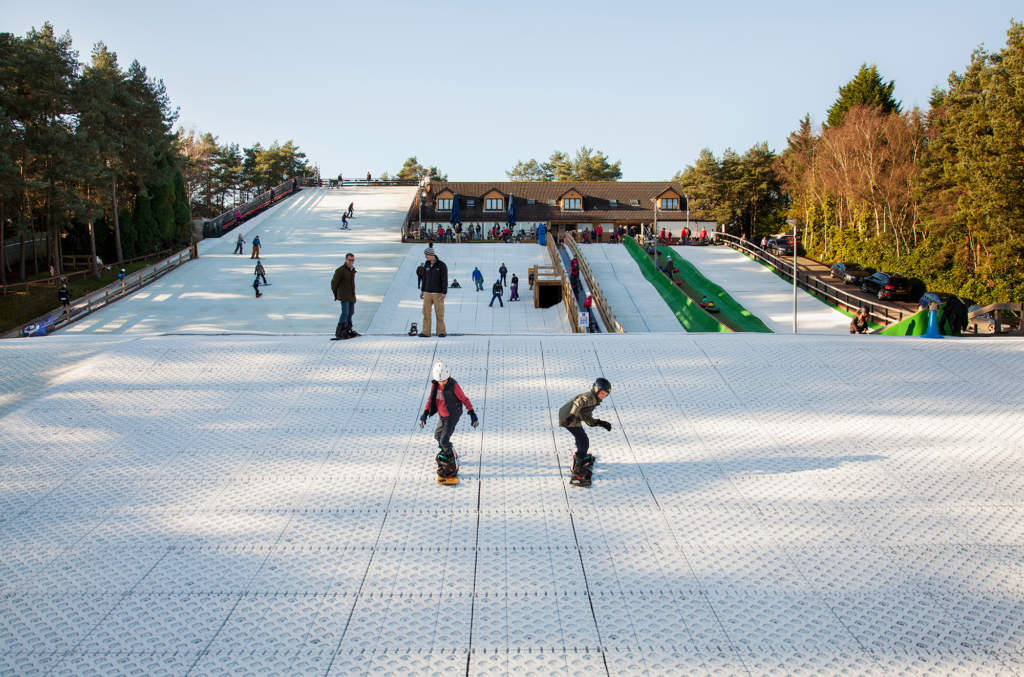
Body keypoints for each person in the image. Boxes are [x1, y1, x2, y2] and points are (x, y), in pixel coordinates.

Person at [418, 360, 479, 483]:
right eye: (439, 381)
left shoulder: (454, 386)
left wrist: (472, 413)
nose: (442, 383)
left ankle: (452, 464)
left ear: (448, 376)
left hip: (452, 416)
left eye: (444, 380)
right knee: (437, 436)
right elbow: (431, 399)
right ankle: (449, 451)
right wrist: (425, 414)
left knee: (444, 440)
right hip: (442, 415)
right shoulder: (435, 385)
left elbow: (464, 399)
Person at [558, 378, 613, 487]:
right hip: (568, 418)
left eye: (605, 394)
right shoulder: (590, 397)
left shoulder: (594, 400)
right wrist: (571, 416)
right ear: (596, 389)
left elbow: (587, 418)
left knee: (581, 438)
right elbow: (578, 402)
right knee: (584, 442)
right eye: (602, 393)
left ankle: (579, 457)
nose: (603, 396)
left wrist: (600, 423)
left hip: (571, 417)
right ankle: (578, 468)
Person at [420, 247, 448, 337]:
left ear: (431, 255)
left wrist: (444, 292)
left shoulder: (441, 265)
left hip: (438, 293)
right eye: (425, 255)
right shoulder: (427, 264)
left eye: (426, 255)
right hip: (427, 292)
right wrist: (422, 290)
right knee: (426, 313)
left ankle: (441, 332)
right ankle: (425, 332)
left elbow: (444, 279)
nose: (425, 256)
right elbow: (424, 278)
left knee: (439, 314)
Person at [331, 252, 359, 339]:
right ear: (346, 260)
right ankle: (340, 331)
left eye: (353, 260)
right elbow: (333, 283)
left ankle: (348, 329)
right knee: (345, 313)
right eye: (350, 260)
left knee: (351, 312)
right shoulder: (340, 270)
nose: (351, 262)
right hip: (344, 296)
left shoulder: (352, 270)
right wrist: (337, 294)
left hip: (351, 295)